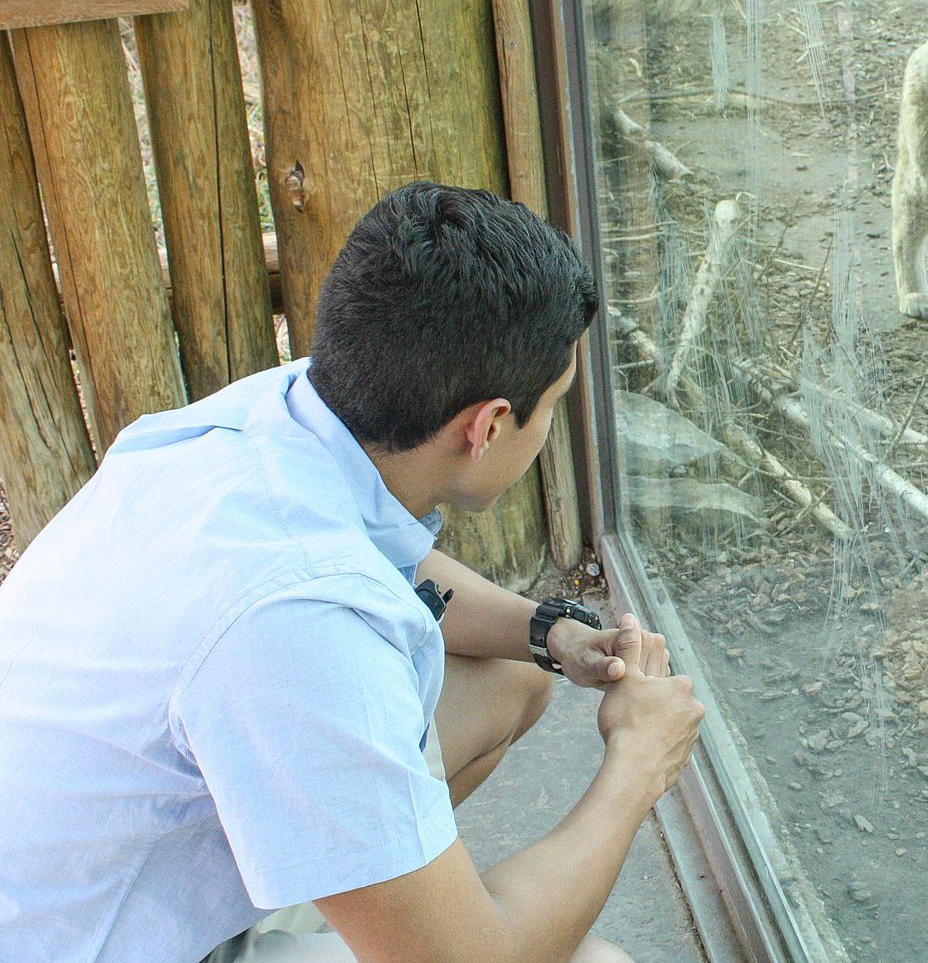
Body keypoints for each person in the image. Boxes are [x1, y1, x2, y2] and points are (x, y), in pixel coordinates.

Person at [0, 182, 705, 963]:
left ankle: (370, 902)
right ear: (490, 425)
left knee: (515, 677)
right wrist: (638, 765)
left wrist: (551, 634)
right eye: (553, 408)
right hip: (90, 942)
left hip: (97, 865)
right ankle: (386, 917)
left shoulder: (273, 411)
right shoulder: (300, 631)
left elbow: (378, 547)